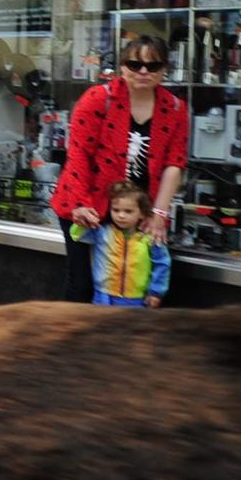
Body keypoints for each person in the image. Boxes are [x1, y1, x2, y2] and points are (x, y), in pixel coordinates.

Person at [48, 35, 187, 305]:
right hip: (86, 204)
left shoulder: (176, 108)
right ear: (122, 67)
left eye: (153, 65)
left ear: (164, 69)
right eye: (135, 64)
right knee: (83, 282)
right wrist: (81, 204)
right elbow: (78, 153)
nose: (143, 72)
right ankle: (70, 343)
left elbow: (174, 163)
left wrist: (158, 213)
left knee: (137, 283)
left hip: (135, 210)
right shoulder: (98, 99)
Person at [70, 181, 172, 308]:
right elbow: (77, 235)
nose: (121, 215)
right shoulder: (102, 232)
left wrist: (156, 293)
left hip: (136, 301)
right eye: (116, 210)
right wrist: (81, 220)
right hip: (103, 298)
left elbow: (162, 263)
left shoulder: (149, 238)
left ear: (141, 213)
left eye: (128, 211)